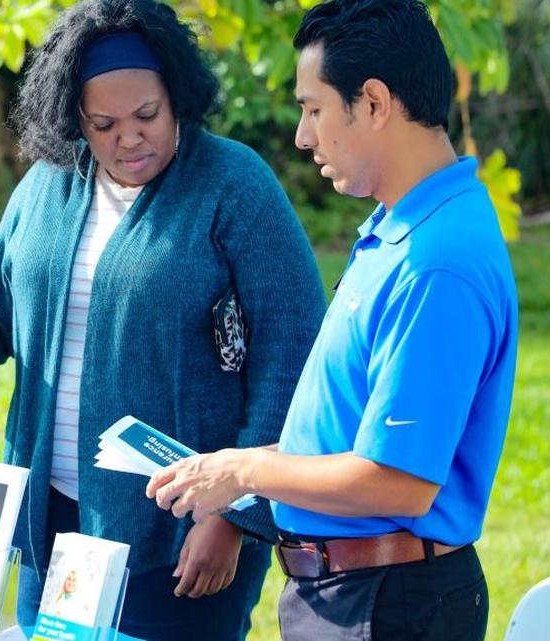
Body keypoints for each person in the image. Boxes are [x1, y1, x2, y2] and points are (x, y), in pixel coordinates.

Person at [0, 1, 326, 639]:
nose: (129, 137)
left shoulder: (233, 185)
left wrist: (236, 515)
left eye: (147, 115)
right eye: (104, 123)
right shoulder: (45, 187)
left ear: (177, 96)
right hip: (52, 524)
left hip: (179, 533)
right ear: (73, 119)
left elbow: (292, 358)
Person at [146, 1, 519, 640]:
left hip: (388, 602)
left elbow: (398, 482)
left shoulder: (436, 262)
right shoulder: (399, 228)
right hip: (353, 594)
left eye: (313, 108)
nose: (302, 135)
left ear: (373, 103)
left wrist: (243, 471)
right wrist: (237, 461)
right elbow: (350, 434)